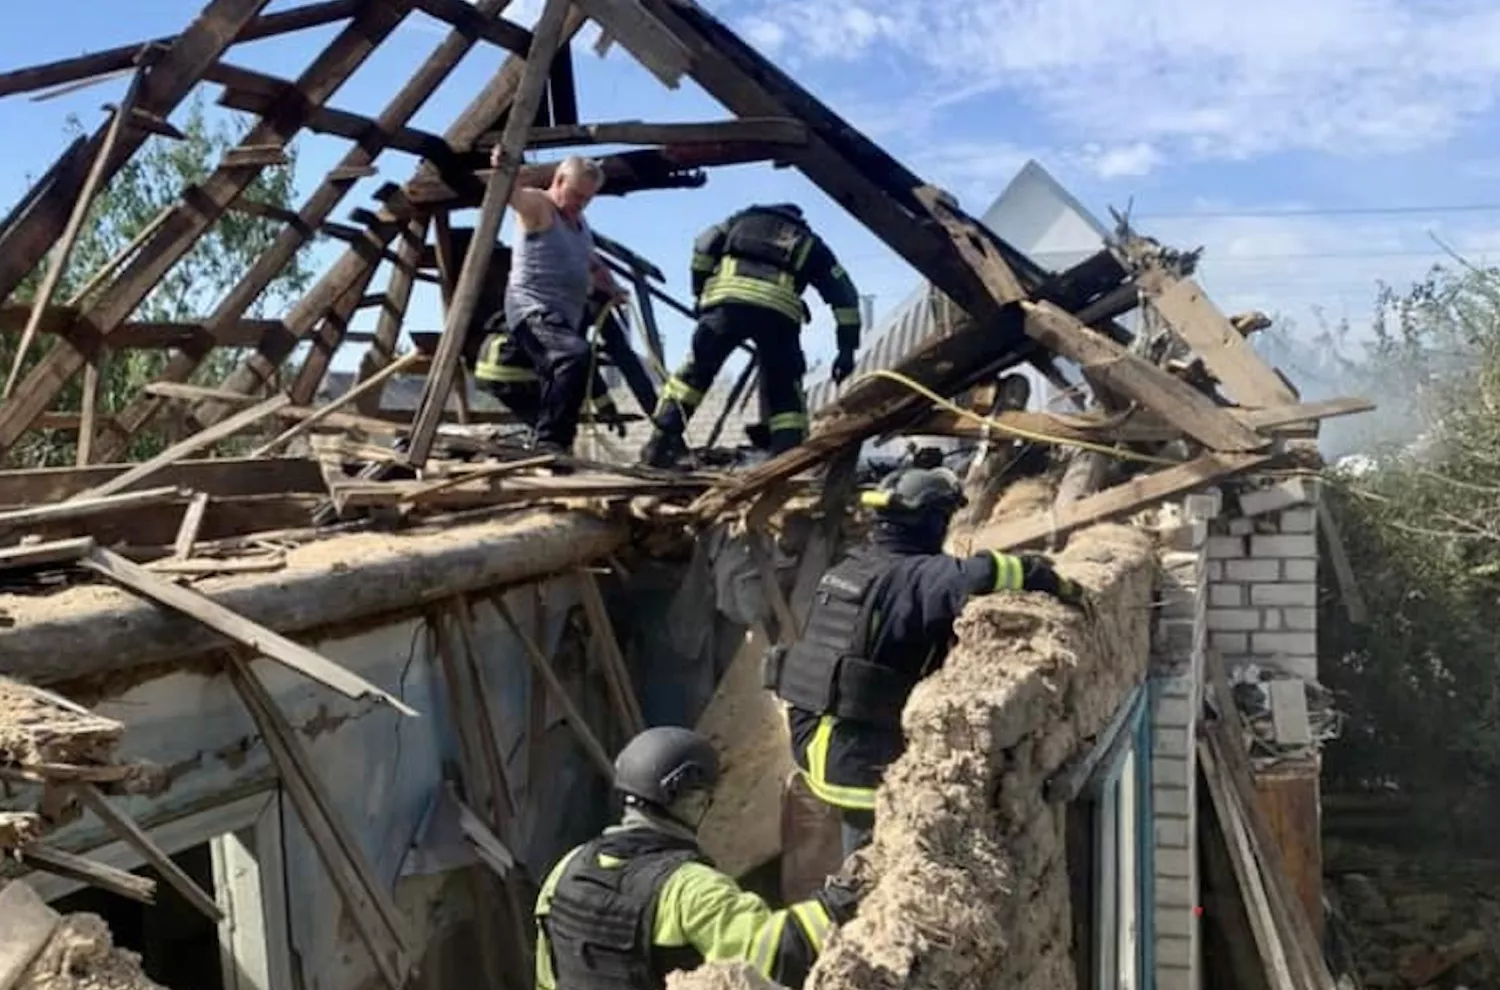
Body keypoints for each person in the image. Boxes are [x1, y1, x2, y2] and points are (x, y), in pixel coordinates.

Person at [763, 456, 1087, 856]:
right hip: (860, 765)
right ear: (932, 521)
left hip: (815, 745)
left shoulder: (851, 569)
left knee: (860, 863)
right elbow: (986, 572)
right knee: (886, 871)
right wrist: (1050, 578)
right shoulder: (917, 574)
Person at [534, 726, 863, 990]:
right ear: (691, 801)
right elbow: (776, 954)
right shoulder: (690, 889)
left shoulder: (567, 868)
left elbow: (547, 975)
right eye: (705, 800)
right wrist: (839, 903)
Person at [640, 203, 863, 467]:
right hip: (777, 317)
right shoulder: (809, 242)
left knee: (693, 378)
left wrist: (700, 290)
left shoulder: (736, 222)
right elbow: (845, 296)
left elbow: (703, 245)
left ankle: (661, 445)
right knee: (784, 388)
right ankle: (787, 457)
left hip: (725, 307)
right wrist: (846, 349)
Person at [501, 148, 626, 457]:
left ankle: (556, 445)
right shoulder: (540, 207)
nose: (579, 204)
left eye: (586, 199)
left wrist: (611, 288)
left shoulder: (580, 224)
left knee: (566, 370)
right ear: (557, 180)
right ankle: (549, 442)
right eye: (575, 195)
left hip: (563, 316)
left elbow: (591, 264)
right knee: (573, 355)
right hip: (532, 308)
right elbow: (510, 196)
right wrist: (506, 168)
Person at [474, 288, 629, 438]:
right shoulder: (569, 314)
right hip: (511, 373)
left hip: (491, 370)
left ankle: (539, 442)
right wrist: (606, 407)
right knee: (558, 413)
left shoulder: (549, 302)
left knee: (543, 418)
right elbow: (580, 365)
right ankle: (547, 446)